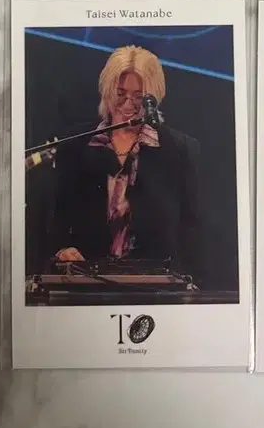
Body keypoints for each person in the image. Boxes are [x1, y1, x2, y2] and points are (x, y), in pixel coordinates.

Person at [49, 45, 201, 277]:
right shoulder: (75, 144)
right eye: (120, 94)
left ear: (153, 98)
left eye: (139, 97)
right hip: (84, 278)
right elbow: (55, 214)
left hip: (154, 283)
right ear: (106, 90)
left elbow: (191, 227)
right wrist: (61, 249)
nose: (128, 104)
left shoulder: (180, 150)